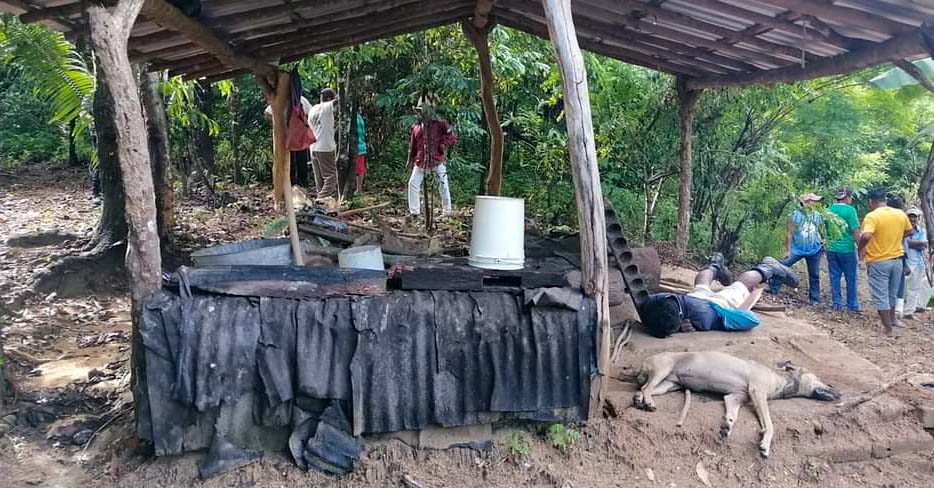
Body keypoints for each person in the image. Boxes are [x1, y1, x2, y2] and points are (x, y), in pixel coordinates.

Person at [640, 254, 799, 338]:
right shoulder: (665, 299)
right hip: (692, 300)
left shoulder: (707, 319)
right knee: (701, 287)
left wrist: (750, 300)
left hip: (716, 306)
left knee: (741, 285)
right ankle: (715, 266)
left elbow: (751, 320)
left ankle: (766, 268)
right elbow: (650, 304)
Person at [858, 188, 914, 334]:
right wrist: (897, 239)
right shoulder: (900, 214)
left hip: (879, 260)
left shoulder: (872, 216)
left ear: (871, 201)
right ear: (885, 200)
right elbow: (910, 231)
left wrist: (860, 250)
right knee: (892, 293)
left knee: (880, 294)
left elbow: (866, 236)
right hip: (897, 260)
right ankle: (892, 320)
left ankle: (887, 328)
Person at [769, 193, 825, 304]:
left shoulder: (818, 215)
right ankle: (773, 289)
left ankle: (814, 299)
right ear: (806, 202)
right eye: (813, 201)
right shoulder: (794, 215)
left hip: (814, 249)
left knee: (814, 274)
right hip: (797, 248)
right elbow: (789, 233)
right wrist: (788, 250)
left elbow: (821, 230)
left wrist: (823, 242)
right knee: (783, 265)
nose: (815, 203)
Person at [406, 98, 457, 217]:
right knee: (413, 183)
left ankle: (447, 211)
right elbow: (413, 146)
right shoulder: (416, 127)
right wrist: (410, 159)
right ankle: (414, 212)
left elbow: (452, 135)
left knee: (443, 185)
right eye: (420, 111)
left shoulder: (440, 124)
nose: (421, 113)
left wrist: (443, 144)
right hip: (421, 161)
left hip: (437, 160)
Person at [264, 95, 313, 188]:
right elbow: (310, 113)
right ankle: (300, 183)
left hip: (288, 135)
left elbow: (267, 113)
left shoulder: (283, 99)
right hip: (298, 135)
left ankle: (292, 182)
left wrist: (278, 123)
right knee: (299, 159)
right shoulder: (301, 100)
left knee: (291, 159)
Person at [826, 187, 861, 312]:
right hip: (847, 249)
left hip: (831, 249)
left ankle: (836, 303)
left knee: (834, 276)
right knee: (851, 277)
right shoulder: (850, 211)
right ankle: (852, 305)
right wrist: (861, 247)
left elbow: (823, 229)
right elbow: (855, 230)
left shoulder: (828, 210)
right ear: (847, 197)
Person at [308, 88, 340, 207]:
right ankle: (319, 200)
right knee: (331, 176)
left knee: (319, 179)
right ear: (328, 99)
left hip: (313, 147)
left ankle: (320, 202)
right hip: (325, 147)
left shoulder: (313, 109)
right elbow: (338, 100)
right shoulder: (326, 107)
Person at [903, 207, 932, 319]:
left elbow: (924, 244)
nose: (912, 220)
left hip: (919, 261)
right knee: (902, 286)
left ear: (917, 219)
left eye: (914, 218)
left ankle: (909, 312)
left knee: (914, 287)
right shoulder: (903, 230)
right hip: (906, 261)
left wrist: (912, 243)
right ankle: (898, 310)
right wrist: (916, 243)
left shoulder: (922, 230)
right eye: (910, 217)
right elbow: (905, 243)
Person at [355, 112, 367, 194]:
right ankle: (358, 188)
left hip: (358, 146)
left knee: (359, 169)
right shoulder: (359, 116)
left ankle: (359, 189)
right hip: (361, 146)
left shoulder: (354, 118)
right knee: (359, 168)